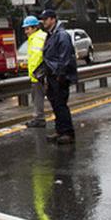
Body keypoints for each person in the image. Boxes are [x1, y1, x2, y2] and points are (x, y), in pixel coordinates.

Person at [36, 9, 77, 145]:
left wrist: (60, 75)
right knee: (56, 104)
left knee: (60, 104)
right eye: (43, 19)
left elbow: (64, 57)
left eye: (46, 19)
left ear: (53, 19)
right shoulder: (51, 35)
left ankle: (67, 133)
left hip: (59, 75)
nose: (43, 22)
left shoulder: (61, 35)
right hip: (52, 75)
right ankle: (60, 130)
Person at [20, 16, 48, 128]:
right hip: (41, 74)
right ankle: (39, 118)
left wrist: (35, 74)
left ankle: (39, 118)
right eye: (25, 29)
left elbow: (37, 57)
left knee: (37, 98)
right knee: (39, 97)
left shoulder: (36, 39)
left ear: (35, 28)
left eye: (28, 28)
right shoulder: (40, 36)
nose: (26, 31)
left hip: (39, 75)